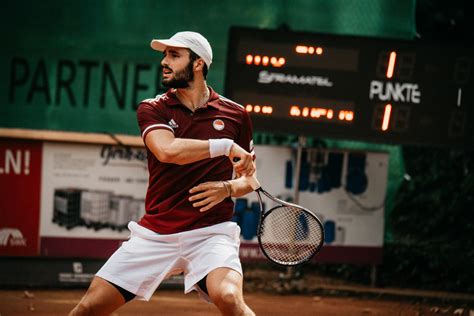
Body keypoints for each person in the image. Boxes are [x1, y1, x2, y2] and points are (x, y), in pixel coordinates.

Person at [70, 31, 257, 316]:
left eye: (174, 55)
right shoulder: (152, 108)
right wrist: (225, 146)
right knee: (89, 307)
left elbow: (250, 180)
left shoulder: (236, 115)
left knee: (230, 298)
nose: (164, 62)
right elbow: (167, 150)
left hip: (211, 234)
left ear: (198, 64)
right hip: (155, 234)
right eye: (164, 55)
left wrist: (227, 188)